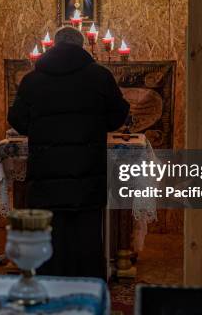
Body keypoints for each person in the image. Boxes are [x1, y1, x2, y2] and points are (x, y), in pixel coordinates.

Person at [8, 26, 130, 278]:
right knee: (85, 239)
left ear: (53, 46)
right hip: (86, 177)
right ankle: (86, 294)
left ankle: (49, 294)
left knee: (49, 238)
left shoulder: (32, 79)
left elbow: (17, 120)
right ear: (82, 45)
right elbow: (118, 116)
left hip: (45, 178)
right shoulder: (100, 76)